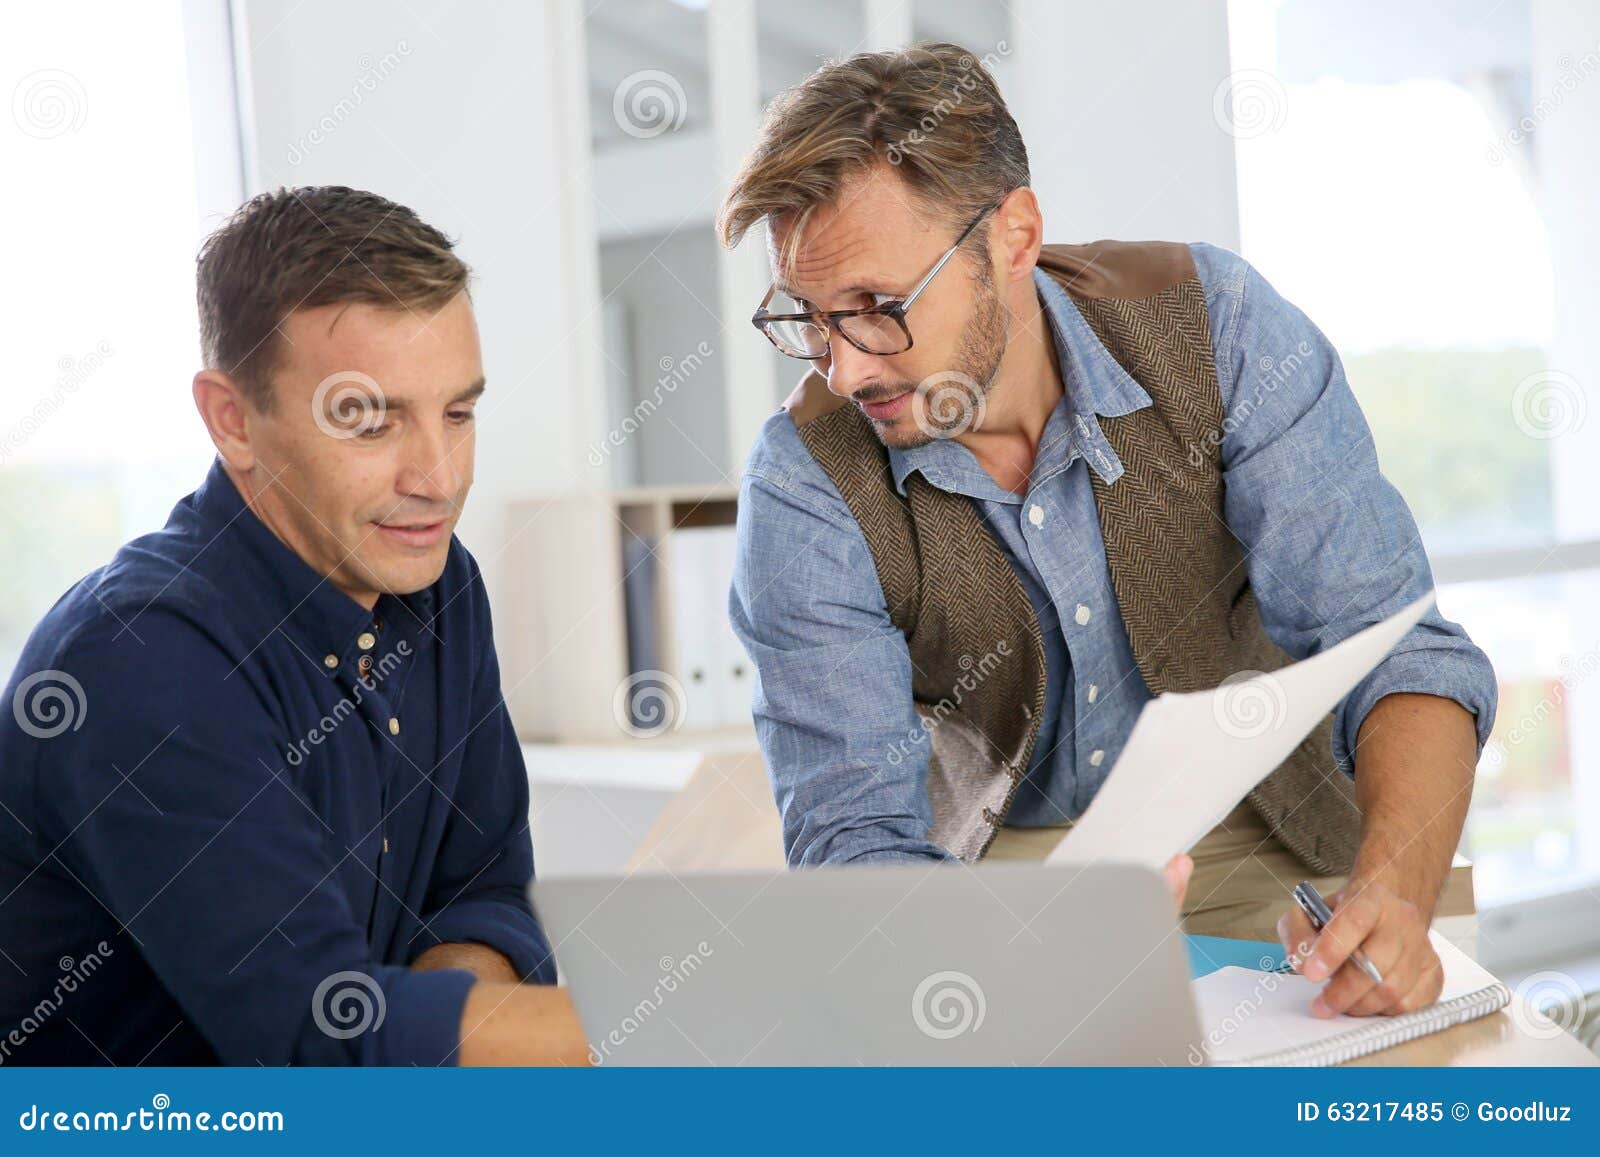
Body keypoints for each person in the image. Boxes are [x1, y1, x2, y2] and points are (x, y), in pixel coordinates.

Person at [719, 44, 1497, 1020]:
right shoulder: (804, 480)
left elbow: (1395, 653)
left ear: (1013, 234)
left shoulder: (1220, 328)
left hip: (1267, 836)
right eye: (807, 318)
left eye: (877, 309)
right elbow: (856, 843)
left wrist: (1391, 886)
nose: (843, 369)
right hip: (991, 875)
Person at [0, 187, 586, 1065]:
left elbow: (481, 886)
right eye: (367, 419)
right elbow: (322, 1037)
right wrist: (696, 1036)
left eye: (458, 413)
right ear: (233, 420)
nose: (438, 477)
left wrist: (461, 1026)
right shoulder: (136, 659)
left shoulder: (435, 580)